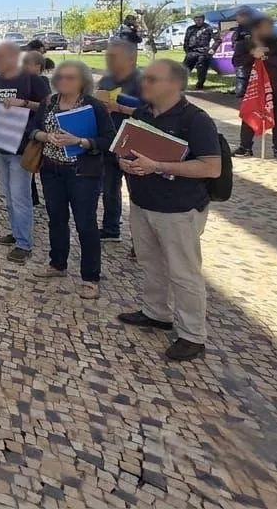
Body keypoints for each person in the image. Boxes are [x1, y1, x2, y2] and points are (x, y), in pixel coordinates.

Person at [117, 59, 222, 361]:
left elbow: (211, 167)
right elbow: (125, 148)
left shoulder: (195, 120)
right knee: (151, 262)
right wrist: (123, 161)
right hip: (142, 203)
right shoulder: (142, 113)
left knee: (183, 272)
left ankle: (192, 335)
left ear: (175, 84)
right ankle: (156, 312)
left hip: (179, 210)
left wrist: (159, 166)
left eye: (152, 79)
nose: (144, 84)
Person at [28, 61, 115, 298]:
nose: (64, 82)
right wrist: (43, 135)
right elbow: (31, 129)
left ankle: (90, 277)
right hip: (51, 169)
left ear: (83, 81)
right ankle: (57, 263)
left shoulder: (93, 106)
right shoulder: (49, 103)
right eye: (61, 77)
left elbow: (109, 139)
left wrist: (80, 142)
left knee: (85, 224)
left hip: (82, 172)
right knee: (56, 219)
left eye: (71, 78)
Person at [0, 39, 50, 264]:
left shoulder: (32, 79)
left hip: (21, 146)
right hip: (0, 144)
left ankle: (24, 243)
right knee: (8, 195)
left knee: (20, 196)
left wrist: (23, 103)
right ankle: (15, 232)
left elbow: (49, 106)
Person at [95, 39, 142, 242]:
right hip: (110, 142)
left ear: (132, 58)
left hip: (136, 145)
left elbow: (153, 112)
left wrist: (120, 108)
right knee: (109, 190)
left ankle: (140, 239)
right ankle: (111, 228)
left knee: (138, 195)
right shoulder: (105, 81)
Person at [234, 15, 277, 162]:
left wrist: (265, 56)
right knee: (248, 115)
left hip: (276, 86)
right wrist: (252, 55)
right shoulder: (243, 44)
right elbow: (237, 61)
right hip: (252, 87)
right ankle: (245, 147)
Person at [182, 13, 219, 90]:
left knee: (201, 69)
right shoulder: (190, 28)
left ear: (203, 19)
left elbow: (218, 40)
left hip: (203, 52)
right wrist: (186, 50)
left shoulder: (210, 27)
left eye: (199, 19)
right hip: (192, 52)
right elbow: (186, 40)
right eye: (196, 19)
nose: (197, 21)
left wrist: (213, 49)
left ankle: (200, 84)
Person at [228, 6, 258, 97]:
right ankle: (240, 89)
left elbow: (250, 42)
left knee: (243, 74)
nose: (236, 18)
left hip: (245, 57)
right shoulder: (241, 26)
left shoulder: (250, 27)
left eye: (238, 16)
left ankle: (241, 91)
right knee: (241, 74)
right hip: (240, 55)